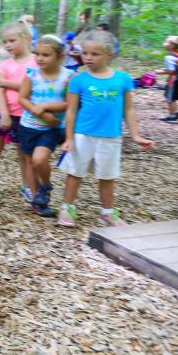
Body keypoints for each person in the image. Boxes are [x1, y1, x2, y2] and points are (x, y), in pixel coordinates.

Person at [58, 30, 155, 227]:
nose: (88, 58)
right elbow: (71, 112)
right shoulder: (78, 80)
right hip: (83, 135)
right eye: (85, 53)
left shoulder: (123, 79)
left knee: (108, 176)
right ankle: (67, 208)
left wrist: (135, 136)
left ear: (109, 55)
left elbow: (128, 110)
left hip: (111, 136)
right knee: (75, 173)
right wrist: (68, 138)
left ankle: (107, 213)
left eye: (95, 54)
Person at [0, 22, 38, 198]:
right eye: (5, 41)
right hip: (2, 111)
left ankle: (27, 185)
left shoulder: (37, 62)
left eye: (12, 40)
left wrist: (7, 83)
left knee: (24, 151)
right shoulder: (4, 65)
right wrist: (4, 114)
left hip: (25, 114)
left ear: (26, 39)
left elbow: (34, 87)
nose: (7, 45)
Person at [17, 34, 72, 218]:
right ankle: (37, 201)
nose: (40, 58)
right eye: (37, 54)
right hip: (28, 126)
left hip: (51, 128)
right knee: (30, 165)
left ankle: (46, 186)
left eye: (46, 55)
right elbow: (23, 98)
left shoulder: (67, 77)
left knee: (39, 160)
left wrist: (47, 109)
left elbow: (70, 103)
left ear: (59, 56)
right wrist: (37, 110)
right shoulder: (32, 75)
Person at [160, 36, 178, 122]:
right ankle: (175, 113)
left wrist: (159, 72)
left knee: (170, 98)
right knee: (172, 98)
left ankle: (172, 115)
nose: (164, 43)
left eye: (166, 42)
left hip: (174, 81)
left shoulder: (168, 57)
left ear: (171, 45)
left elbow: (171, 71)